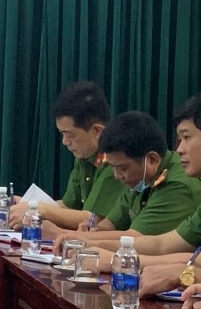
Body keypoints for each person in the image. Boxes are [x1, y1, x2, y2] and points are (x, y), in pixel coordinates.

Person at [58, 94, 201, 298]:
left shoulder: (180, 185)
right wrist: (89, 242)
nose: (179, 149)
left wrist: (113, 259)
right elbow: (163, 245)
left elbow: (181, 257)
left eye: (186, 137)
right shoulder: (138, 180)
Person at [53, 111, 201, 242]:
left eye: (122, 168)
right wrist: (92, 230)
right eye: (112, 167)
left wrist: (69, 236)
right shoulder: (138, 180)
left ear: (152, 159)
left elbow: (137, 239)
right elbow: (109, 225)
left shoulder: (178, 185)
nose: (117, 176)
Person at [8, 81, 124, 232]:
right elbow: (68, 206)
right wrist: (27, 205)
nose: (64, 141)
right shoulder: (83, 157)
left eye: (69, 135)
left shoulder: (116, 161)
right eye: (62, 134)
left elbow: (95, 220)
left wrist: (40, 209)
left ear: (97, 131)